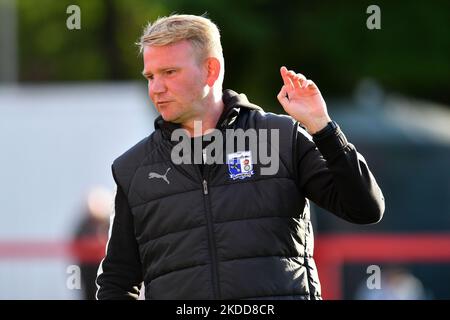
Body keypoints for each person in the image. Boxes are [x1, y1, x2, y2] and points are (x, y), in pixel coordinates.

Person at [96, 14, 385, 300]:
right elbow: (116, 283)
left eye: (169, 72)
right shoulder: (133, 168)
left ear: (210, 70)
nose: (156, 88)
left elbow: (365, 209)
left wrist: (323, 128)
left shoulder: (282, 137)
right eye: (150, 76)